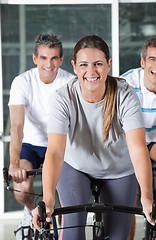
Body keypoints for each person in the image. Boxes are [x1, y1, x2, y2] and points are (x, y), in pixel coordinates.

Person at [32, 35, 156, 240]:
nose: (91, 71)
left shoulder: (125, 95)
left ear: (109, 65)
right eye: (84, 64)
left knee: (118, 236)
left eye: (98, 64)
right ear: (74, 66)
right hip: (75, 165)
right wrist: (48, 198)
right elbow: (56, 151)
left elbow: (138, 150)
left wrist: (147, 198)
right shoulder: (62, 98)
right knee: (71, 234)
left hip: (119, 169)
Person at [8, 33, 75, 240]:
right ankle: (29, 212)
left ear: (61, 60)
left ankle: (62, 226)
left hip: (60, 143)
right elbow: (17, 127)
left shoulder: (70, 82)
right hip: (29, 144)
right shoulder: (22, 82)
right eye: (44, 58)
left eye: (54, 58)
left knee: (64, 193)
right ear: (35, 59)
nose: (49, 64)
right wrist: (13, 164)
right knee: (22, 188)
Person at [121, 36, 156, 236]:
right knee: (130, 197)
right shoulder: (126, 83)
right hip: (131, 142)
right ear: (143, 62)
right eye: (152, 59)